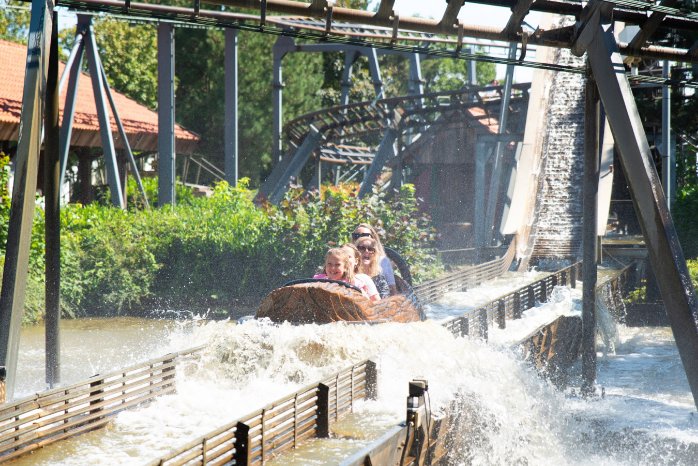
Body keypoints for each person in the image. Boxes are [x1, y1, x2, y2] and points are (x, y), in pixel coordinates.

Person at [313, 247, 379, 301]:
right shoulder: (318, 281)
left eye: (337, 265)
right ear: (325, 265)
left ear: (345, 267)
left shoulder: (354, 284)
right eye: (329, 264)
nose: (333, 268)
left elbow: (366, 303)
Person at [352, 223, 398, 296]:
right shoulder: (348, 261)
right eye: (356, 236)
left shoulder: (382, 262)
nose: (360, 239)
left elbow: (392, 290)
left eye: (364, 235)